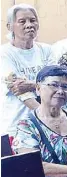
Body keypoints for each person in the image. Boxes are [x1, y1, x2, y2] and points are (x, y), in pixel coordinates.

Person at [1, 4, 52, 136]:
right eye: (22, 21)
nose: (29, 25)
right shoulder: (4, 54)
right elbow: (20, 91)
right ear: (10, 26)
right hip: (16, 126)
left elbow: (56, 83)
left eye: (32, 20)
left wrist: (32, 85)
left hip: (46, 124)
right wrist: (47, 118)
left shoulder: (46, 50)